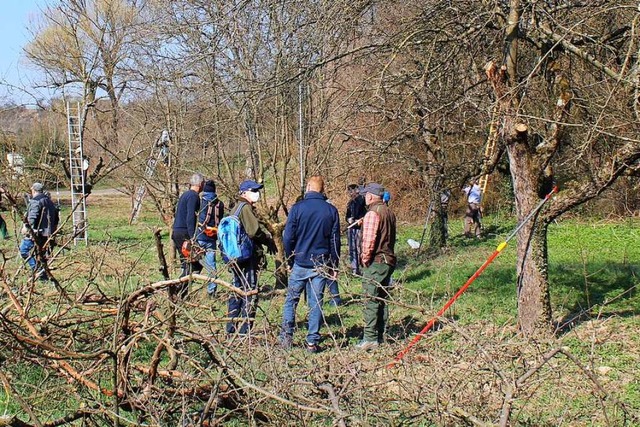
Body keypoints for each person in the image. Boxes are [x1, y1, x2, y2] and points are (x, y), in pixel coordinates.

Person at [279, 176, 340, 353]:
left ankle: (286, 338)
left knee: (291, 301)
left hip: (300, 261)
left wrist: (290, 259)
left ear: (308, 188)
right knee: (316, 303)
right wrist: (334, 265)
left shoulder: (297, 209)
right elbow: (335, 241)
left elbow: (288, 237)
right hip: (320, 263)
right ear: (322, 189)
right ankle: (312, 342)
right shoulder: (331, 210)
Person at [226, 179, 276, 336]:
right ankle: (245, 330)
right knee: (251, 290)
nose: (257, 194)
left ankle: (230, 328)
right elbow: (253, 231)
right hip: (247, 257)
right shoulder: (245, 208)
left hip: (235, 257)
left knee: (237, 289)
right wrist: (267, 240)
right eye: (253, 190)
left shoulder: (235, 208)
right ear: (244, 193)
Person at [356, 182, 397, 351]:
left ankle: (370, 339)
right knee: (382, 299)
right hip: (388, 260)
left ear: (371, 196)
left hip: (376, 262)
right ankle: (381, 334)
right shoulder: (389, 212)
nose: (364, 197)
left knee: (371, 300)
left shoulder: (372, 214)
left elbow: (369, 242)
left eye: (366, 194)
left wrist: (364, 260)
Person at [172, 173, 205, 297]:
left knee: (188, 264)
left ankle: (182, 294)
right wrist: (192, 237)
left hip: (178, 231)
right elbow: (190, 216)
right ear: (201, 184)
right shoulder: (193, 196)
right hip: (184, 233)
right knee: (193, 264)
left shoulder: (185, 195)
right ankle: (177, 288)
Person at [19, 182, 59, 281]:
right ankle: (44, 277)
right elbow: (56, 219)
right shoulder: (49, 201)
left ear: (33, 190)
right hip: (48, 233)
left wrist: (26, 228)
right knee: (41, 256)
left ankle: (39, 272)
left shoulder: (35, 201)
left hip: (37, 233)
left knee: (24, 250)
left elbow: (32, 218)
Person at [196, 179, 224, 297]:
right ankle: (211, 291)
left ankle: (184, 285)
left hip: (199, 236)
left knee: (194, 263)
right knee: (211, 265)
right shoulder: (220, 204)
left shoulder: (200, 202)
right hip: (212, 238)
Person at [346, 184, 366, 275]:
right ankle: (355, 269)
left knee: (360, 248)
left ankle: (363, 268)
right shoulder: (350, 203)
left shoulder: (363, 200)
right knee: (352, 248)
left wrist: (361, 220)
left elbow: (366, 214)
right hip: (351, 228)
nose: (350, 193)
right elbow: (347, 215)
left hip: (360, 228)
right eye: (349, 191)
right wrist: (348, 219)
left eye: (351, 190)